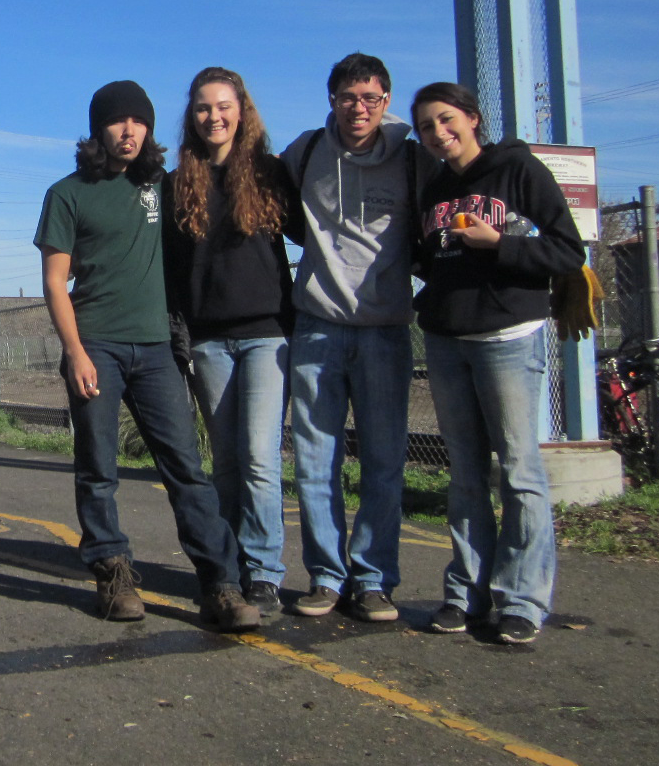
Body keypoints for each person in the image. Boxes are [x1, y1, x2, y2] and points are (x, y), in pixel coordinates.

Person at [35, 80, 259, 632]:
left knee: (186, 468)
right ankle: (113, 572)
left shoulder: (160, 185)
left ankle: (221, 586)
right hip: (97, 349)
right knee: (98, 468)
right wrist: (76, 352)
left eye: (139, 121)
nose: (129, 130)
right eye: (117, 121)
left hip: (156, 349)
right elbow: (54, 282)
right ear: (98, 129)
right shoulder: (68, 193)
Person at [409, 82, 584, 644]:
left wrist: (497, 245)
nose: (438, 133)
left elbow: (566, 250)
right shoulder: (434, 186)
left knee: (517, 468)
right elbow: (428, 254)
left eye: (446, 120)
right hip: (446, 337)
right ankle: (466, 592)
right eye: (427, 126)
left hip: (508, 333)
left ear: (471, 119)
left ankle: (522, 599)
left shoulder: (517, 171)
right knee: (464, 474)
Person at [279, 53, 435, 621]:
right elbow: (279, 211)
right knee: (315, 462)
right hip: (317, 325)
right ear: (332, 100)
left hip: (386, 329)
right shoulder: (305, 153)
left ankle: (373, 579)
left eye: (370, 98)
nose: (359, 108)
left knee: (384, 461)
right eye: (348, 98)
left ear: (386, 101)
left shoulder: (414, 158)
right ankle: (325, 576)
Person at [163, 67, 298, 616]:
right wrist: (180, 337)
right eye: (202, 108)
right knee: (225, 463)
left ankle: (264, 571)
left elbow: (316, 233)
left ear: (242, 111)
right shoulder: (179, 184)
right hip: (209, 341)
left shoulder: (267, 174)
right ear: (191, 117)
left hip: (268, 336)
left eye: (223, 106)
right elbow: (172, 270)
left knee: (260, 458)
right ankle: (229, 567)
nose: (213, 116)